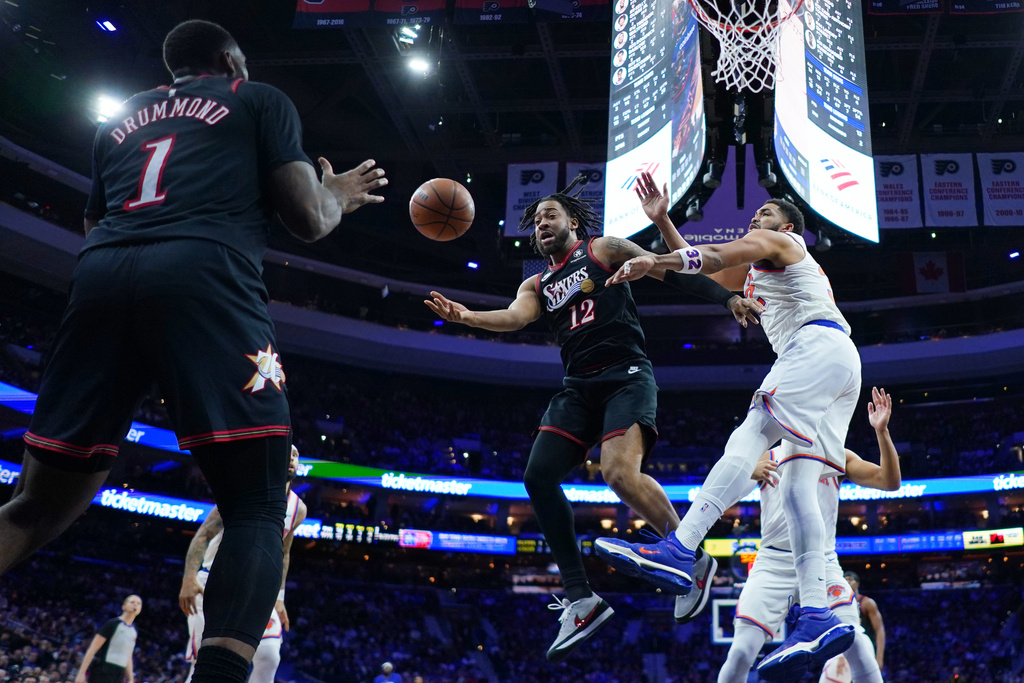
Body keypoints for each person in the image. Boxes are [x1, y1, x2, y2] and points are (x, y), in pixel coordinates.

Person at [0, 19, 386, 683]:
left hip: (101, 275)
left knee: (36, 504)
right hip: (203, 272)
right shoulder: (257, 97)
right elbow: (309, 217)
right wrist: (340, 194)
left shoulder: (119, 118)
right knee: (259, 504)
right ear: (231, 59)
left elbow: (95, 221)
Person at [425, 175, 761, 662]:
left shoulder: (603, 249)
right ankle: (581, 598)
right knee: (537, 477)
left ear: (573, 222)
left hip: (625, 374)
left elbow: (672, 272)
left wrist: (726, 298)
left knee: (618, 473)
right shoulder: (535, 283)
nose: (541, 224)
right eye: (536, 219)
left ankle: (690, 557)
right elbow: (516, 317)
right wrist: (469, 318)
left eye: (550, 216)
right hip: (578, 388)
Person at [593, 172, 861, 679]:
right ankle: (817, 615)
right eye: (756, 215)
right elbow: (706, 274)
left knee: (753, 431)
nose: (755, 218)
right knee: (800, 488)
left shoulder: (779, 242)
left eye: (765, 213)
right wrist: (663, 226)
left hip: (814, 349)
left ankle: (681, 547)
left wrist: (655, 258)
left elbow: (714, 255)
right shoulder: (765, 266)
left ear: (790, 228)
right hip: (838, 364)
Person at [715, 387, 897, 683]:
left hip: (822, 561)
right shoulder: (765, 455)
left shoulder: (839, 457)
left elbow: (890, 482)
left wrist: (882, 432)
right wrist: (746, 467)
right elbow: (720, 490)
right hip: (774, 563)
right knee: (740, 653)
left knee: (859, 647)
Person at [180, 446, 308, 683]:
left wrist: (279, 597)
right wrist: (189, 578)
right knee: (205, 663)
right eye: (286, 451)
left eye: (296, 454)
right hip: (214, 579)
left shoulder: (298, 509)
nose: (291, 457)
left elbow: (284, 552)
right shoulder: (246, 488)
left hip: (258, 588)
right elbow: (203, 535)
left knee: (269, 656)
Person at [74, 595, 141, 683]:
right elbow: (93, 649)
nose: (135, 605)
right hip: (102, 670)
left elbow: (128, 655)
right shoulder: (112, 624)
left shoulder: (133, 631)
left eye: (138, 603)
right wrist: (81, 673)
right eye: (132, 602)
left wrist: (130, 679)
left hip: (118, 674)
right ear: (123, 607)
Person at [844, 570, 886, 672]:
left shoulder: (867, 603)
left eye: (850, 579)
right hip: (847, 650)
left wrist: (879, 658)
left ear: (857, 583)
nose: (847, 582)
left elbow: (879, 630)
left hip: (866, 648)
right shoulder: (841, 605)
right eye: (845, 580)